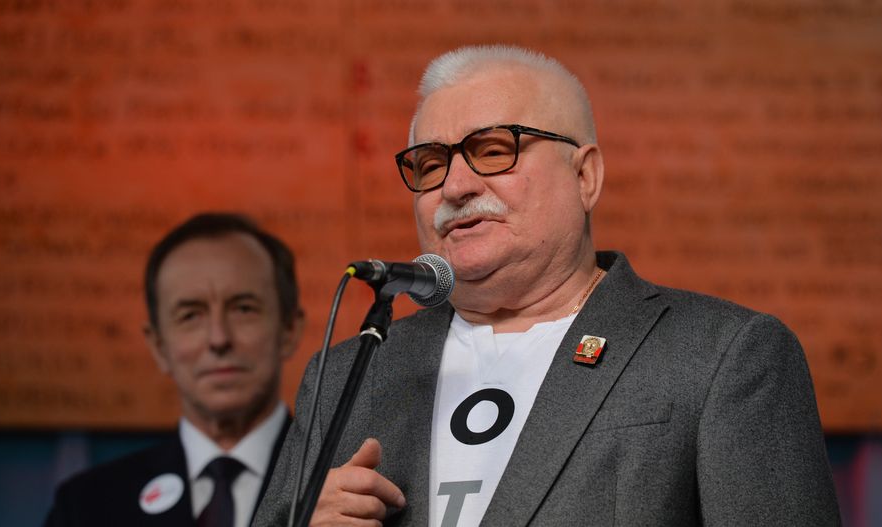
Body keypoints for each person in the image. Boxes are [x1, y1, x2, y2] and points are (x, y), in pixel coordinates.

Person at [253, 45, 840, 527]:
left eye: (492, 150)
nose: (453, 185)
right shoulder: (354, 373)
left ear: (584, 176)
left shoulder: (721, 356)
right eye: (430, 164)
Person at [47, 212, 304, 527]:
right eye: (190, 316)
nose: (218, 339)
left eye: (243, 309)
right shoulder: (87, 506)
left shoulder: (351, 488)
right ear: (158, 346)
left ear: (289, 330)